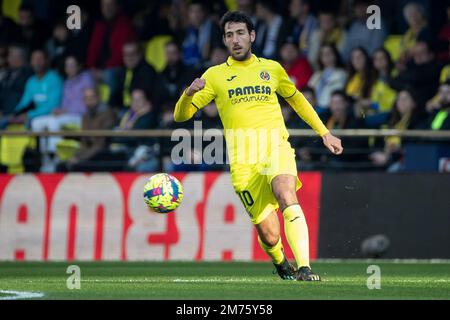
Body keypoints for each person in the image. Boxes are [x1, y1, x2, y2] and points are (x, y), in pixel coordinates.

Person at [174, 11, 343, 281]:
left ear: (252, 36)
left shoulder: (272, 69)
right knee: (269, 233)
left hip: (276, 148)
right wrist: (189, 93)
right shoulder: (215, 76)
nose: (236, 39)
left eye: (241, 33)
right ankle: (280, 262)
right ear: (225, 41)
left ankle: (305, 268)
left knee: (286, 193)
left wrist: (325, 133)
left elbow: (297, 100)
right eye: (230, 35)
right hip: (243, 162)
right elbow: (181, 116)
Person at [307, 44, 347, 109]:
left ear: (335, 55)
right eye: (323, 54)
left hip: (328, 108)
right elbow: (308, 92)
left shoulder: (341, 74)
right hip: (312, 108)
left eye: (328, 53)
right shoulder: (316, 75)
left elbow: (337, 92)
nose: (326, 56)